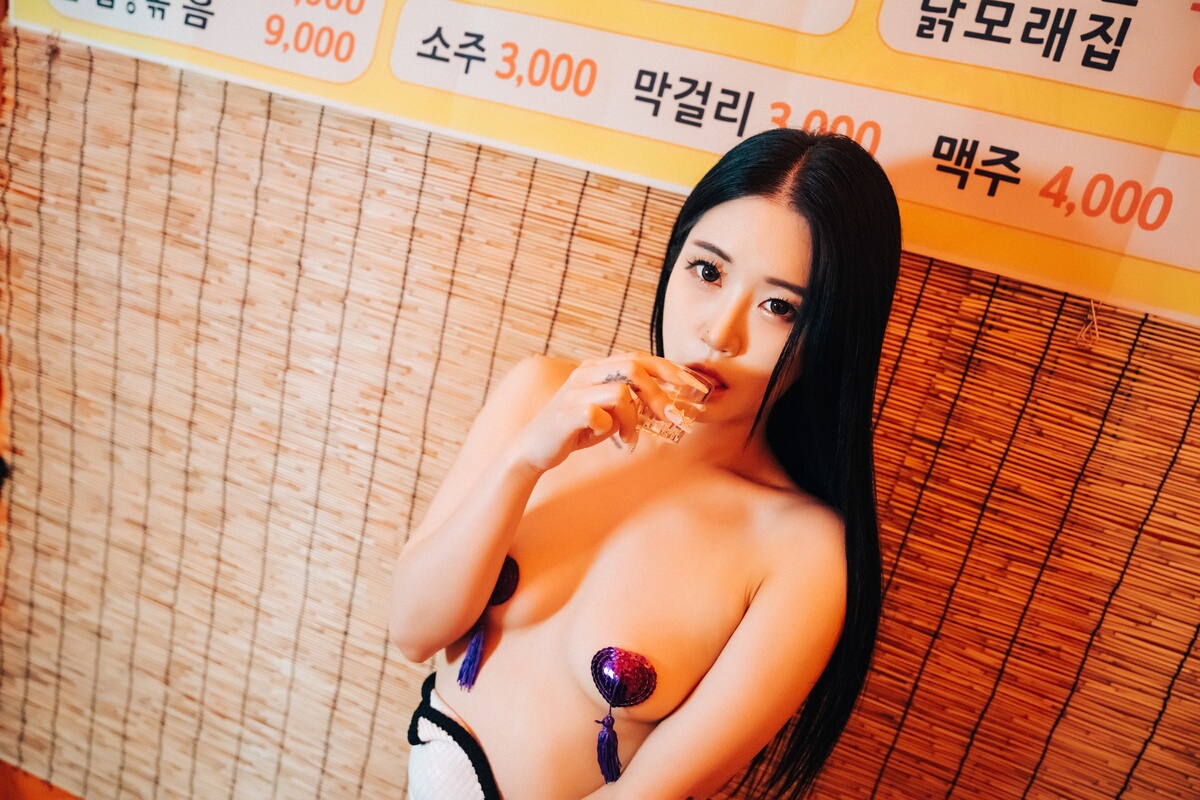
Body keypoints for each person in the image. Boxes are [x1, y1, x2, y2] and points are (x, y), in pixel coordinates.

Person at [390, 128, 902, 799]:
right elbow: (413, 631)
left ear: (831, 333)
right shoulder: (543, 394)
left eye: (780, 307)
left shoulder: (803, 553)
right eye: (708, 272)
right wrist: (525, 459)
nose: (719, 332)